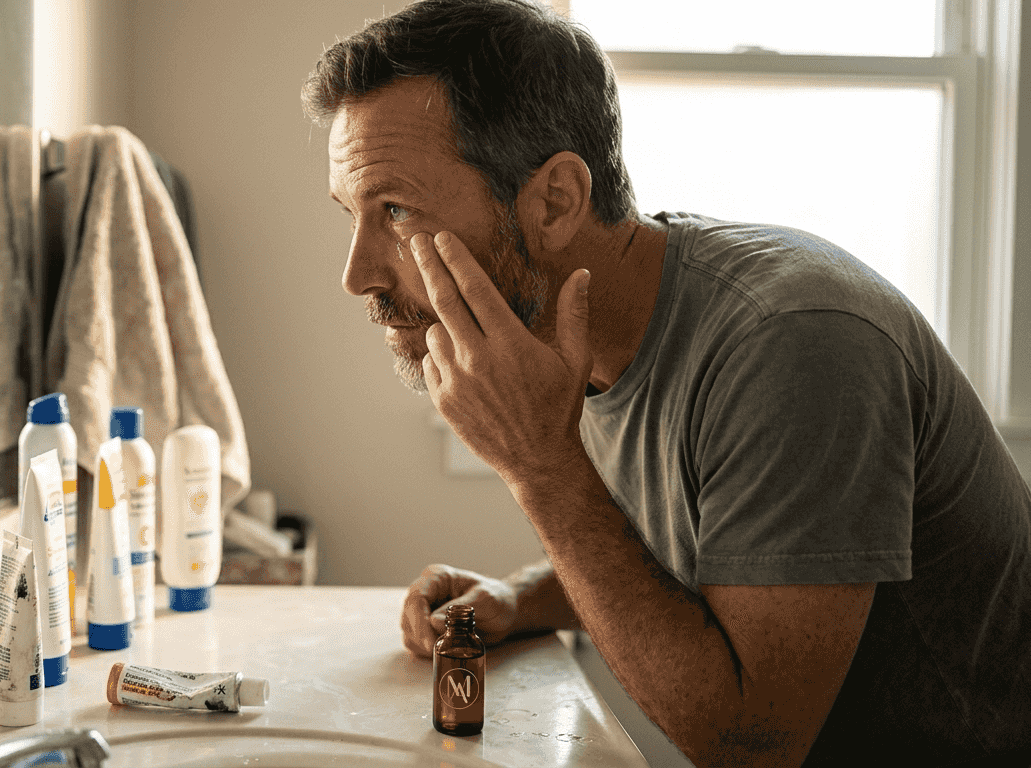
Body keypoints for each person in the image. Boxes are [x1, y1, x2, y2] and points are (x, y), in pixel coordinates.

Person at [301, 1, 1031, 766]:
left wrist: (541, 468)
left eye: (395, 210)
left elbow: (750, 745)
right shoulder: (582, 320)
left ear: (554, 201)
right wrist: (522, 596)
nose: (356, 275)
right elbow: (703, 553)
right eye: (353, 213)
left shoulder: (792, 345)